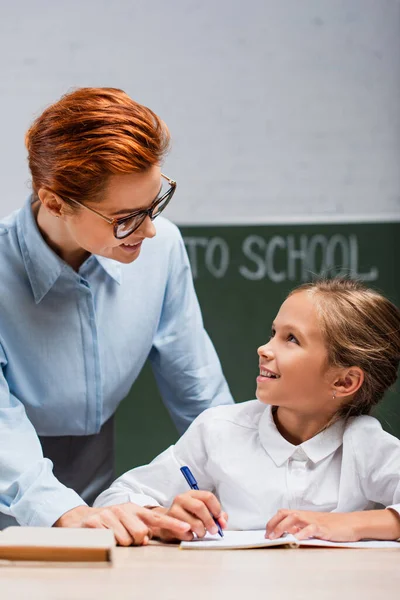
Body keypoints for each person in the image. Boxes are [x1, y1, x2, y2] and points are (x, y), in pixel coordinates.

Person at [0, 87, 233, 541]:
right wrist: (62, 510)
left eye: (154, 205)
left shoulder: (161, 247)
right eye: (125, 217)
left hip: (98, 512)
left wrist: (240, 477)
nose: (147, 229)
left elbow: (198, 391)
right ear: (54, 202)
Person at [95, 278, 400, 544]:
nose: (264, 348)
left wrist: (346, 524)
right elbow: (115, 498)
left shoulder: (365, 444)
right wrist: (161, 518)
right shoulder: (219, 429)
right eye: (273, 332)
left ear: (345, 381)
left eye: (291, 339)